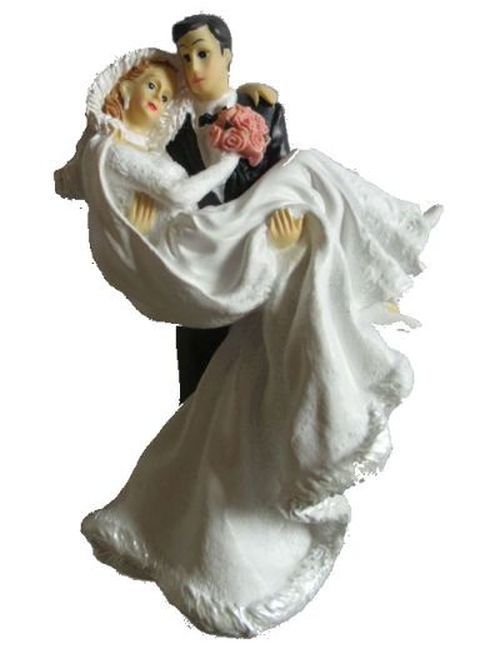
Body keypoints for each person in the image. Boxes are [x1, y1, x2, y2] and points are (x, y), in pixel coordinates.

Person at [55, 47, 441, 638]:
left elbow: (69, 181)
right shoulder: (135, 152)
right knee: (305, 183)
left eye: (169, 89)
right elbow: (178, 194)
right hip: (194, 258)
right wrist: (216, 164)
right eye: (155, 84)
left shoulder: (131, 147)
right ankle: (387, 250)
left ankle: (374, 262)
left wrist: (118, 193)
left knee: (299, 215)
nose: (165, 95)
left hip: (201, 256)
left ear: (226, 59)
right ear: (121, 91)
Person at [167, 14, 292, 403]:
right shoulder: (169, 128)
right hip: (200, 272)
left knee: (259, 382)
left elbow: (285, 181)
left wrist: (287, 231)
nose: (194, 67)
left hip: (258, 260)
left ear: (227, 56)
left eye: (203, 54)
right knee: (200, 391)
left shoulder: (264, 111)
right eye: (184, 57)